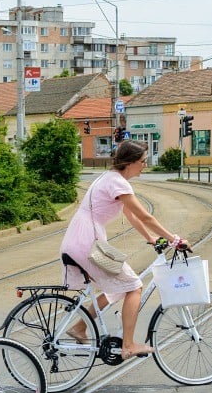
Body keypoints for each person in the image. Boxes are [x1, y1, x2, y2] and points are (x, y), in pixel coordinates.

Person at [60, 140, 188, 360]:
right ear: (129, 162)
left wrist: (150, 238)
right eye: (142, 161)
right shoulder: (118, 183)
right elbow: (145, 216)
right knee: (134, 286)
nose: (144, 166)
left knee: (117, 288)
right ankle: (128, 345)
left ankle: (80, 327)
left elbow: (131, 215)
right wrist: (174, 239)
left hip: (81, 238)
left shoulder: (110, 179)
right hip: (87, 242)